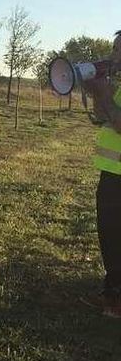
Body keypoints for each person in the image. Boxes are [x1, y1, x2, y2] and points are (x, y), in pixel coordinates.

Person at [82, 30, 121, 317]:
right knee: (110, 235)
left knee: (113, 236)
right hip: (112, 173)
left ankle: (115, 300)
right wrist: (95, 91)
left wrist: (104, 93)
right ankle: (112, 291)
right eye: (114, 49)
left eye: (119, 50)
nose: (114, 56)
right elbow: (103, 118)